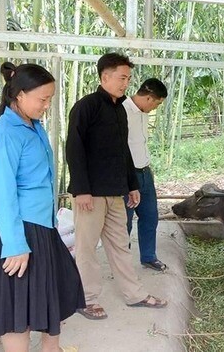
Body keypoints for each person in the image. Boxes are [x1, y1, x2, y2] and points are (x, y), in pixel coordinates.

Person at [0, 62, 84, 352]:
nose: (46, 105)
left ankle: (51, 348)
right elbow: (4, 194)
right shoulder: (6, 133)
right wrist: (15, 245)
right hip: (16, 231)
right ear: (19, 95)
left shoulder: (33, 126)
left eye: (49, 99)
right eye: (42, 99)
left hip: (41, 227)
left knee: (57, 290)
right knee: (15, 307)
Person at [66, 52, 167, 321]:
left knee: (121, 244)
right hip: (91, 194)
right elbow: (74, 149)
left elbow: (124, 152)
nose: (126, 83)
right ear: (104, 77)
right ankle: (86, 299)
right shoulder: (86, 107)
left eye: (128, 78)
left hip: (115, 191)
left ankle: (134, 294)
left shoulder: (119, 110)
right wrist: (81, 189)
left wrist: (131, 185)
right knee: (86, 248)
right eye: (122, 78)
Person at [123, 78, 168, 271]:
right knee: (125, 220)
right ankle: (122, 262)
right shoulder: (121, 111)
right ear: (149, 98)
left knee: (150, 215)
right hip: (127, 174)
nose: (155, 107)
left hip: (144, 171)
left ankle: (149, 256)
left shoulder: (142, 114)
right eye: (157, 103)